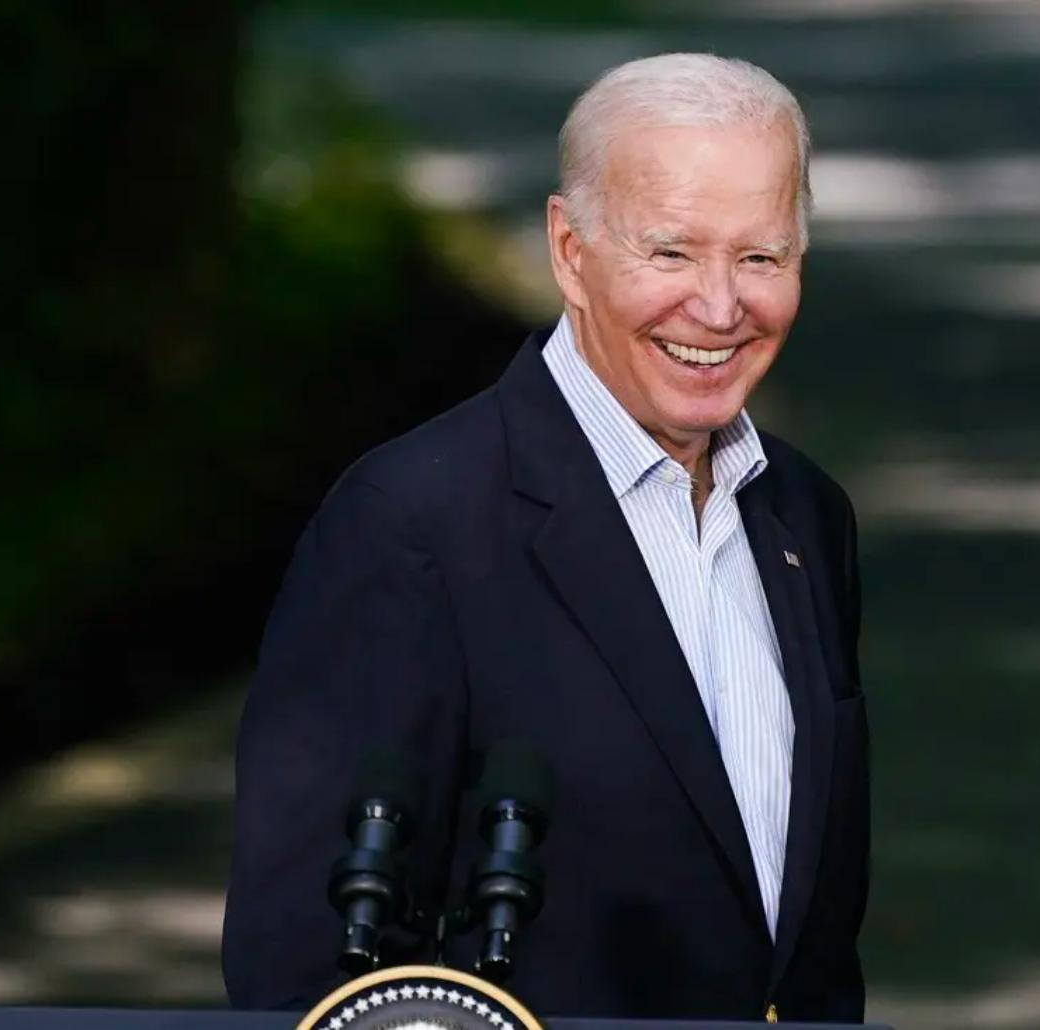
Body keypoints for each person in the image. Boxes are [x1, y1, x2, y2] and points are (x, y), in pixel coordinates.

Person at [222, 53, 868, 1022]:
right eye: (672, 252)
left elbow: (805, 946)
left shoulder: (805, 518)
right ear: (569, 250)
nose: (721, 306)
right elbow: (309, 975)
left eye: (761, 257)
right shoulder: (410, 525)